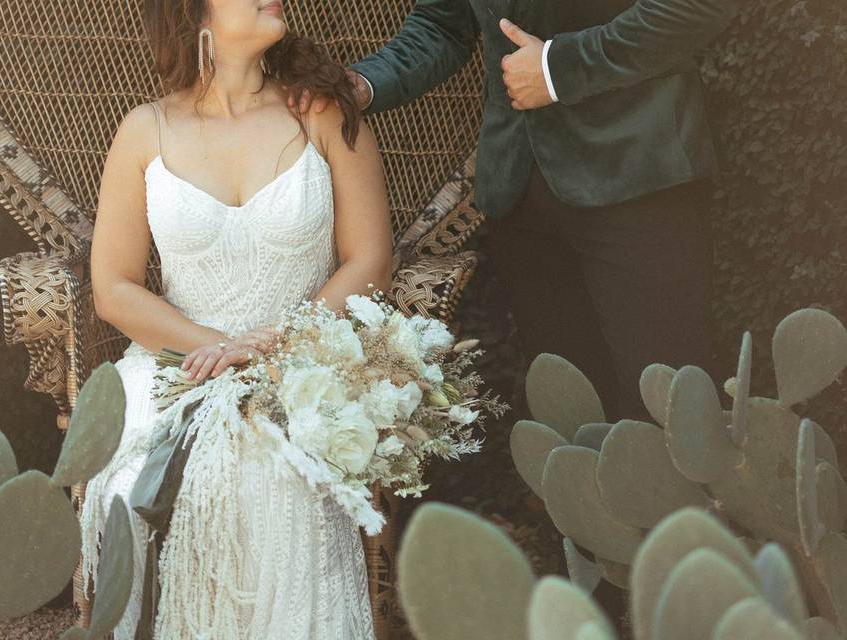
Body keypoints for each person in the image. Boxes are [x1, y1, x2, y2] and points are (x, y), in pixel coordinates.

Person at [79, 0, 391, 637]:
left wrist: (273, 344)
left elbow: (371, 261)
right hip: (177, 362)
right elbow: (113, 287)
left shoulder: (324, 114)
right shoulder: (146, 129)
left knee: (277, 483)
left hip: (302, 356)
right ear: (193, 12)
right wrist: (220, 348)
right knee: (136, 484)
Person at [298, 0, 738, 419]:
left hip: (637, 179)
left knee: (668, 408)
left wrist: (558, 69)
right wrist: (360, 85)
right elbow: (442, 25)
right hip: (519, 196)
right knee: (572, 424)